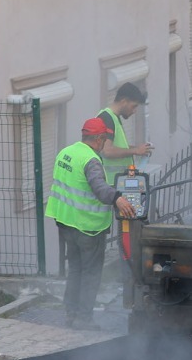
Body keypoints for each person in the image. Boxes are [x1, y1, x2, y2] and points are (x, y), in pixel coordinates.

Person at [47, 117, 137, 329]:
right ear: (98, 138)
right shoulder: (90, 160)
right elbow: (98, 187)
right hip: (88, 227)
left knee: (75, 269)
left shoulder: (66, 152)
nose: (104, 144)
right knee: (91, 274)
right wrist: (118, 198)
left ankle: (71, 314)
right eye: (104, 139)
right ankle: (83, 319)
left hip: (66, 223)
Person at [96, 82, 152, 186]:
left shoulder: (113, 118)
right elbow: (107, 151)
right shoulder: (107, 118)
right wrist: (135, 150)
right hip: (110, 185)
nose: (134, 111)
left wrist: (137, 149)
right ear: (124, 101)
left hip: (117, 184)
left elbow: (117, 147)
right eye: (133, 106)